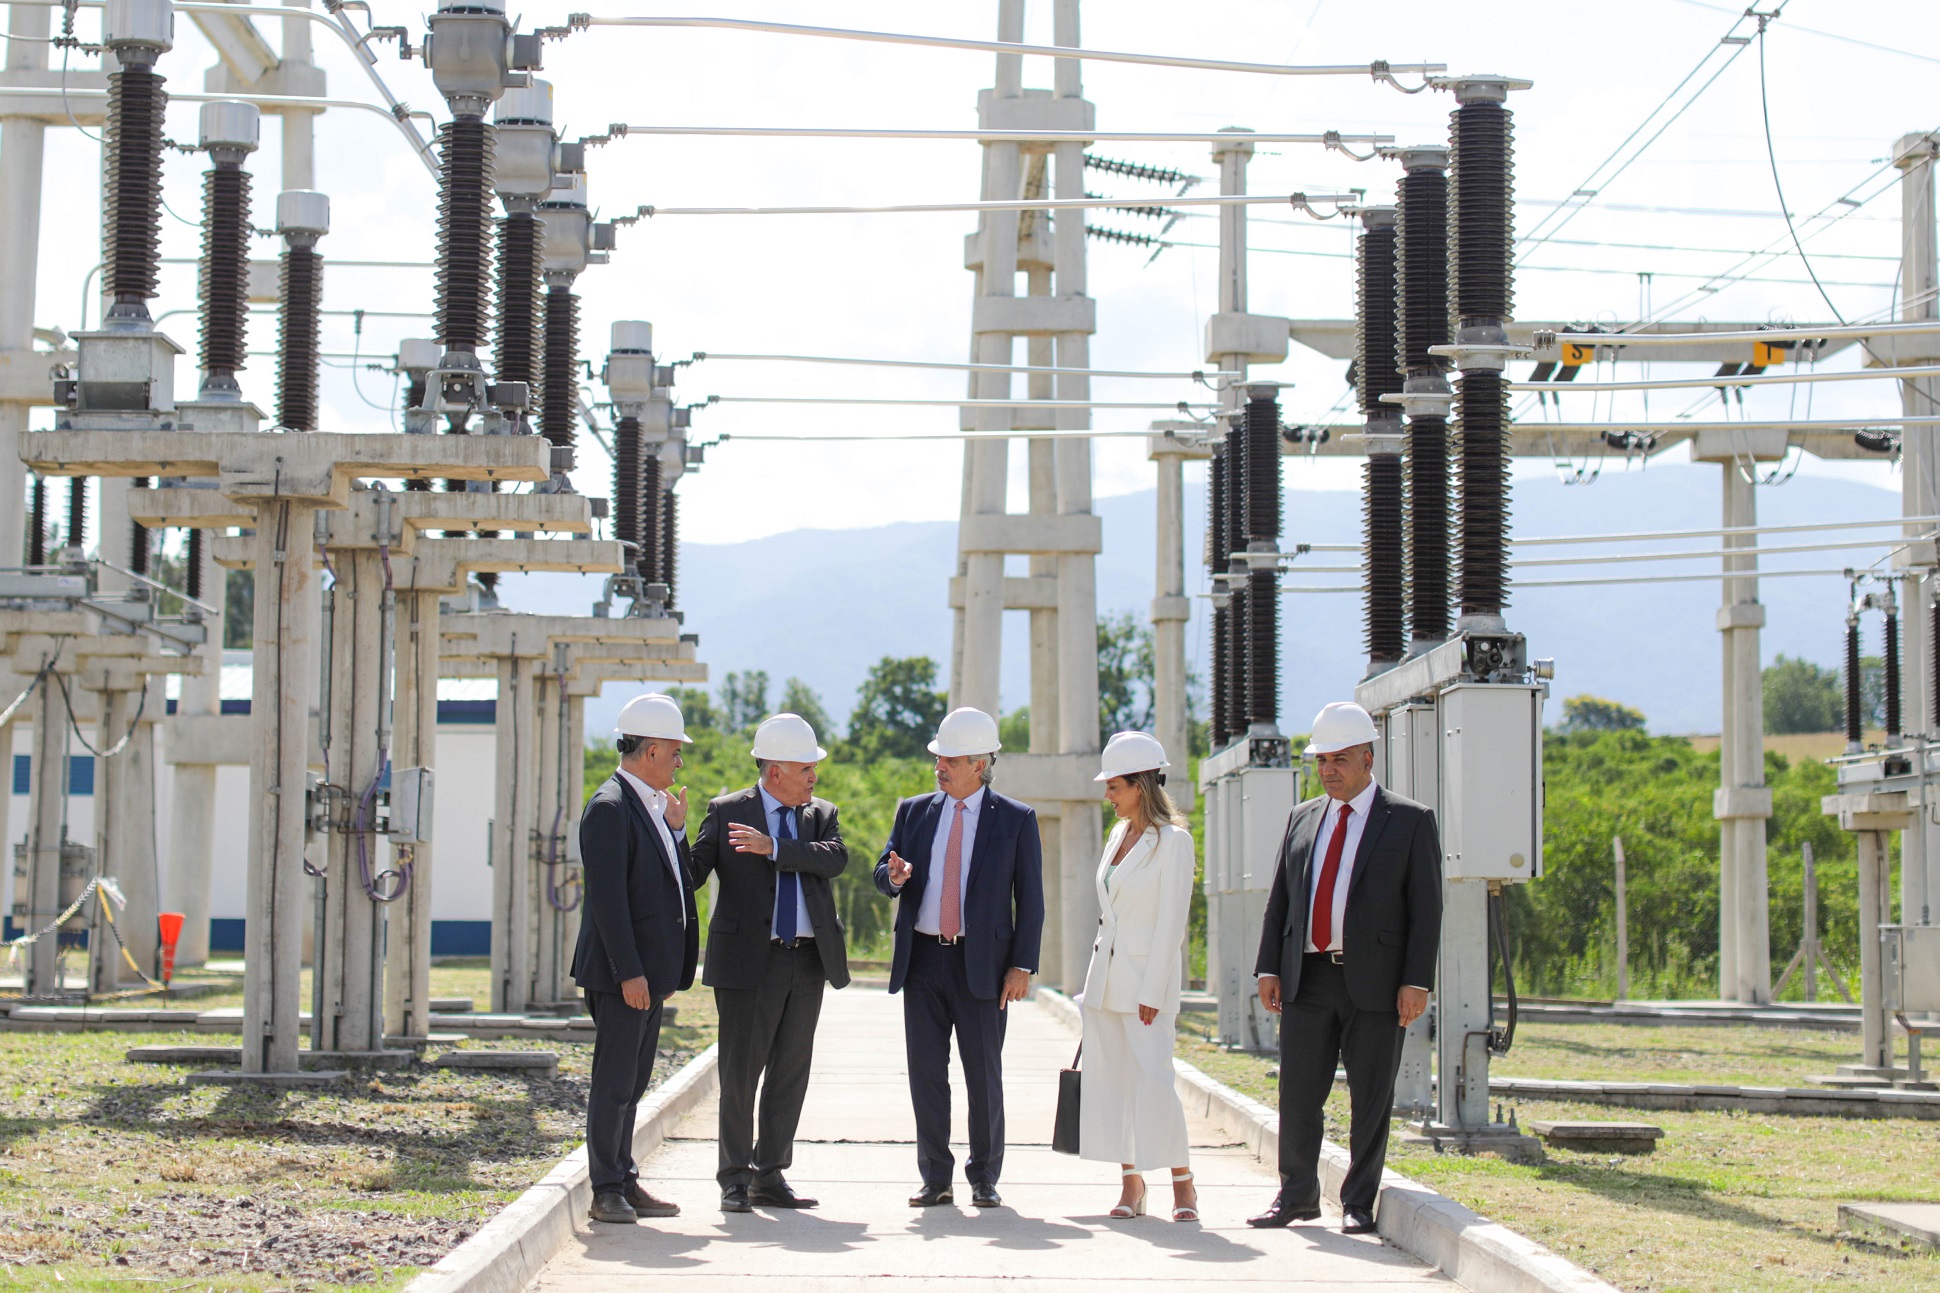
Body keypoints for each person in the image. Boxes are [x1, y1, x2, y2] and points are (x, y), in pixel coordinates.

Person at [1248, 701, 1441, 1234]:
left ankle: (1357, 1202)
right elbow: (1282, 900)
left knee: (1370, 1096)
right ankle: (1296, 1196)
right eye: (1321, 760)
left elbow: (1427, 910)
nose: (1328, 769)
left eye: (1338, 759)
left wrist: (1416, 980)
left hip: (1378, 985)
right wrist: (1269, 967)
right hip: (1307, 977)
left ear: (1368, 757)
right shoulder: (1302, 818)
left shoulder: (1409, 821)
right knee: (1298, 1092)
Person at [873, 706, 1045, 1209]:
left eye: (948, 758)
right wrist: (895, 875)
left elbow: (1030, 900)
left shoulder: (1015, 820)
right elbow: (884, 872)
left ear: (979, 763)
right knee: (926, 1074)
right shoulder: (913, 811)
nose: (938, 766)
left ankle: (984, 1176)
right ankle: (935, 1177)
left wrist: (1022, 964)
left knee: (983, 1076)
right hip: (923, 961)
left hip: (984, 967)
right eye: (937, 757)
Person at [690, 713, 851, 1214]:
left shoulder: (820, 815)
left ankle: (770, 1174)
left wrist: (776, 847)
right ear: (775, 770)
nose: (813, 778)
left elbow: (835, 858)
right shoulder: (725, 812)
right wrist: (673, 832)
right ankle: (734, 1179)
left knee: (789, 1073)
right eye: (806, 769)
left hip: (806, 964)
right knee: (740, 1074)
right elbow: (691, 872)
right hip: (746, 965)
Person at [571, 692, 699, 1226]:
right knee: (615, 1082)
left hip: (649, 976)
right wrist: (631, 973)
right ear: (649, 751)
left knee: (634, 1082)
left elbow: (674, 883)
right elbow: (608, 902)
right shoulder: (609, 808)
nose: (679, 761)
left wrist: (676, 830)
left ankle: (624, 1178)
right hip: (624, 974)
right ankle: (605, 1189)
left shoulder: (650, 807)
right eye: (674, 751)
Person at [1078, 731, 1198, 1222]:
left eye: (1115, 787)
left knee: (1155, 1084)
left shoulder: (1174, 843)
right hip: (1104, 982)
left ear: (1142, 785)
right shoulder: (1115, 835)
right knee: (1114, 1085)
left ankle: (1183, 1186)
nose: (1108, 795)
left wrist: (1153, 989)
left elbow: (1173, 923)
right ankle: (1131, 1185)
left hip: (1147, 987)